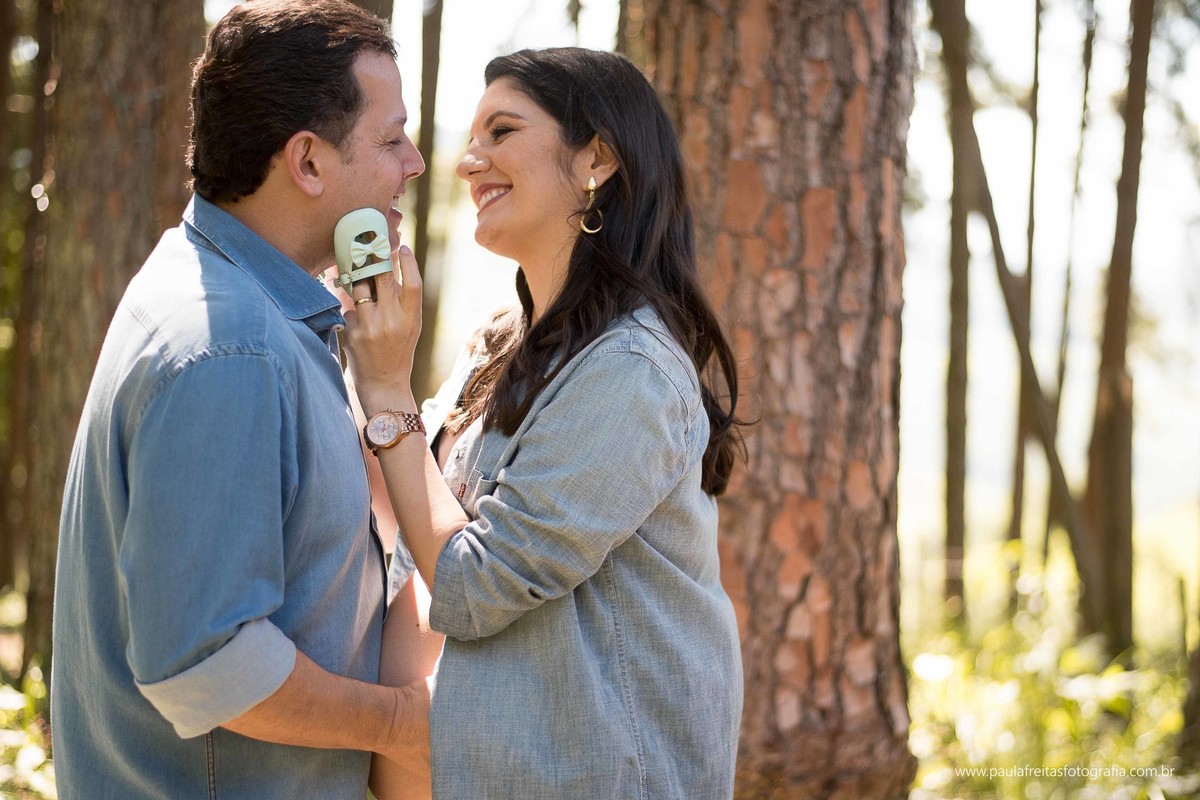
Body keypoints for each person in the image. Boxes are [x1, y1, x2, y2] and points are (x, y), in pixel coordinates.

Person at [50, 2, 439, 797]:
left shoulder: (237, 307)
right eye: (391, 138)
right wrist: (405, 723)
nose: (417, 162)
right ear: (308, 162)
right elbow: (210, 663)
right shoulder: (230, 348)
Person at [345, 47, 745, 800]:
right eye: (472, 138)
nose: (468, 162)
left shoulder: (630, 371)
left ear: (596, 158)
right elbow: (404, 498)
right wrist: (349, 345)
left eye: (501, 132)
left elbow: (473, 585)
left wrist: (389, 388)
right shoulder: (501, 341)